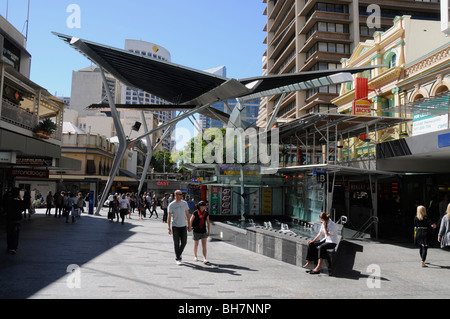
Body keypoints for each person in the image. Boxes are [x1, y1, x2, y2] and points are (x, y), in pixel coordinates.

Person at [168, 190, 192, 265]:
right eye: (179, 194)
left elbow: (188, 215)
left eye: (182, 194)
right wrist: (169, 227)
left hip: (183, 226)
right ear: (175, 195)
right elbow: (169, 216)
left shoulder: (184, 203)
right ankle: (178, 258)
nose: (181, 196)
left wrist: (189, 225)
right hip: (175, 226)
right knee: (176, 243)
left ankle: (179, 253)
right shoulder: (171, 205)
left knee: (184, 242)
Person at [5, 188, 25, 254]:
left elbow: (5, 209)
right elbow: (22, 209)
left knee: (9, 233)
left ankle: (9, 246)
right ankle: (14, 247)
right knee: (16, 233)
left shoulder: (8, 201)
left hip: (9, 219)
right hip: (17, 219)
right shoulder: (19, 202)